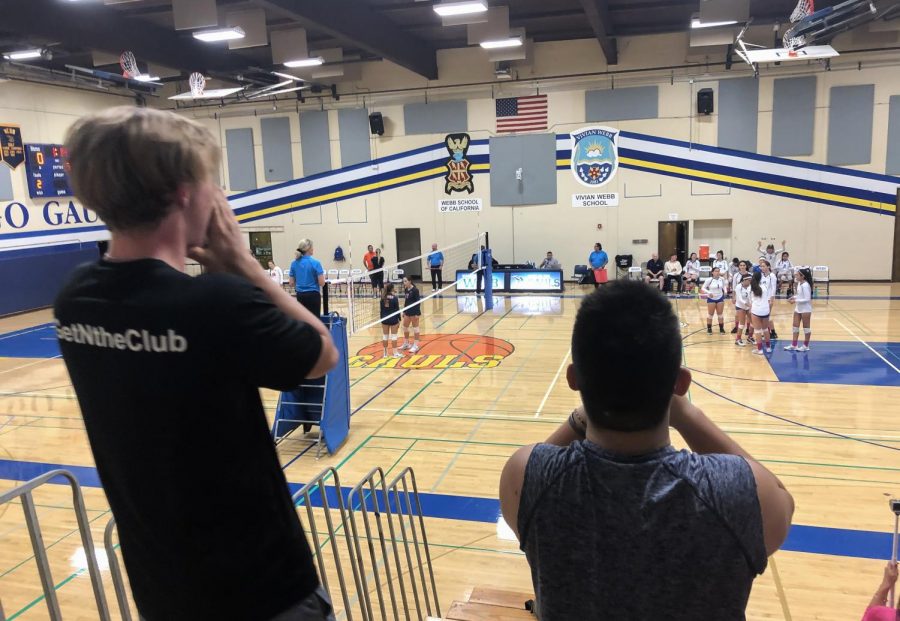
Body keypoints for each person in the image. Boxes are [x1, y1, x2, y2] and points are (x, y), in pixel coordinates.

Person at [56, 106, 339, 621]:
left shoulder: (75, 302)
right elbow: (322, 352)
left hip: (163, 591)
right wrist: (244, 264)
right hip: (264, 591)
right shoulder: (216, 303)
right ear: (185, 192)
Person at [498, 281, 794, 620]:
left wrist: (578, 422)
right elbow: (782, 501)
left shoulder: (526, 476)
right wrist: (687, 416)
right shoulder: (735, 492)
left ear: (574, 378)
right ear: (680, 384)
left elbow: (522, 502)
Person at [290, 239, 326, 316]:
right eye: (312, 247)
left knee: (303, 320)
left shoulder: (293, 263)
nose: (313, 249)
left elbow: (291, 283)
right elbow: (322, 283)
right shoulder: (316, 263)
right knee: (314, 321)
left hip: (300, 295)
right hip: (313, 295)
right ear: (308, 248)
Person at [784, 268, 813, 352]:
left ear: (802, 276)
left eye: (797, 275)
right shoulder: (800, 283)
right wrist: (794, 297)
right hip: (798, 308)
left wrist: (795, 300)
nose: (795, 276)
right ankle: (794, 344)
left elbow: (807, 298)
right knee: (795, 327)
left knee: (806, 328)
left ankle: (806, 345)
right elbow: (800, 295)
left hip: (805, 309)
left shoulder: (806, 285)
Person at [750, 271, 773, 355]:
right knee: (766, 329)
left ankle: (759, 350)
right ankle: (768, 348)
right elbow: (768, 299)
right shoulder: (764, 286)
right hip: (765, 310)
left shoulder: (752, 287)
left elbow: (751, 301)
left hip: (756, 310)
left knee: (757, 330)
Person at [701, 267, 728, 334]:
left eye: (718, 271)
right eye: (716, 271)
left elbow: (724, 286)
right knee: (710, 314)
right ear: (712, 272)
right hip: (711, 298)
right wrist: (709, 293)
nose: (717, 272)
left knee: (720, 314)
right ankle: (709, 329)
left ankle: (721, 329)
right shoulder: (709, 280)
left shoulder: (722, 279)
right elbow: (703, 288)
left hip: (720, 297)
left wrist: (725, 291)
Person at [400, 276, 422, 354]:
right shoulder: (406, 289)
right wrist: (404, 310)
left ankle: (415, 345)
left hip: (414, 311)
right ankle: (406, 343)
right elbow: (406, 301)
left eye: (405, 281)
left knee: (415, 328)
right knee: (405, 327)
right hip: (408, 311)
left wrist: (417, 313)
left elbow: (418, 302)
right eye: (403, 281)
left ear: (410, 281)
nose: (404, 283)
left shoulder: (415, 290)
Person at [380, 283, 402, 358]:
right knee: (394, 337)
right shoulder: (394, 298)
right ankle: (395, 353)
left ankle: (385, 353)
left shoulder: (382, 298)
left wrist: (382, 319)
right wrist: (399, 319)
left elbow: (381, 310)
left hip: (384, 319)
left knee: (385, 336)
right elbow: (397, 310)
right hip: (393, 319)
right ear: (392, 288)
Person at [760, 259, 779, 339]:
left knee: (766, 316)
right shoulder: (761, 275)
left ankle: (771, 332)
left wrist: (772, 299)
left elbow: (774, 288)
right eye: (761, 266)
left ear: (768, 267)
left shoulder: (772, 276)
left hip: (768, 299)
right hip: (762, 299)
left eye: (764, 266)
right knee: (765, 316)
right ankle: (771, 332)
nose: (762, 268)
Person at [731, 260, 751, 334]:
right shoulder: (736, 275)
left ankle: (748, 329)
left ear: (746, 266)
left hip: (748, 296)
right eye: (741, 265)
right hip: (739, 296)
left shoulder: (750, 274)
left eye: (744, 265)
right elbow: (734, 286)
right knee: (737, 314)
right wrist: (733, 297)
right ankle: (736, 327)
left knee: (749, 314)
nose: (742, 267)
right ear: (739, 266)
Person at [734, 273, 753, 347]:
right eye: (749, 280)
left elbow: (751, 297)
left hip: (748, 307)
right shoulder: (738, 287)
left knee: (753, 322)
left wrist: (751, 304)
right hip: (740, 306)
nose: (750, 282)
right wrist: (748, 304)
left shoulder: (750, 286)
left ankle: (750, 337)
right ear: (744, 280)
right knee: (742, 323)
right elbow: (740, 299)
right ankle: (738, 339)